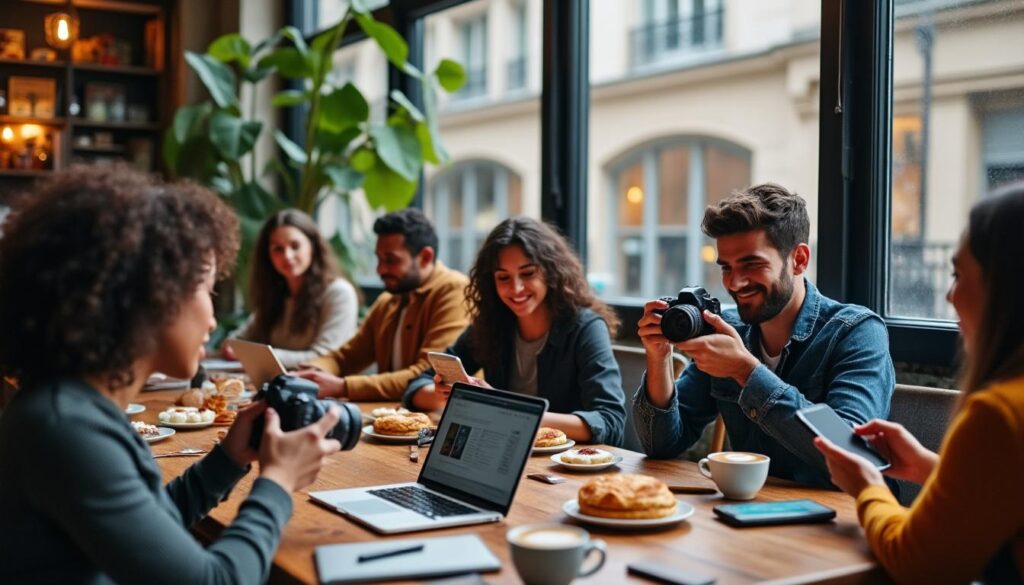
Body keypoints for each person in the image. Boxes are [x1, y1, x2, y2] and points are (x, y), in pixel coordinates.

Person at [0, 165, 342, 584]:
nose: (213, 318)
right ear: (150, 296)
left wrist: (228, 460)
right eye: (206, 288)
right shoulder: (64, 428)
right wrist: (277, 482)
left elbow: (150, 535)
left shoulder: (70, 407)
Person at [814, 183, 1024, 585]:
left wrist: (867, 487)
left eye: (958, 274)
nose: (949, 296)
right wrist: (934, 469)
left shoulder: (999, 414)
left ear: (1005, 288)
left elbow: (919, 565)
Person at [634, 183, 894, 486]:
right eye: (726, 267)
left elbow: (853, 456)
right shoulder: (730, 331)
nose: (735, 282)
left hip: (840, 519)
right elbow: (661, 445)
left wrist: (747, 371)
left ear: (798, 260)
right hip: (751, 511)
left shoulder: (856, 332)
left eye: (752, 264)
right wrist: (658, 357)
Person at [403, 217, 627, 445]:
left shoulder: (586, 328)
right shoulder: (492, 324)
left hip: (561, 467)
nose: (516, 288)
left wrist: (504, 408)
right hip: (496, 454)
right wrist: (445, 394)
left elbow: (610, 422)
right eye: (503, 277)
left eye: (528, 273)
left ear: (551, 271)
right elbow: (416, 387)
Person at [295, 208, 469, 401]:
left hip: (434, 422)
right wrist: (314, 371)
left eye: (391, 260)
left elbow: (427, 373)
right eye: (379, 258)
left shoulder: (455, 290)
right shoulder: (388, 301)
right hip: (392, 420)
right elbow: (346, 357)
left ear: (426, 257)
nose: (380, 269)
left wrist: (343, 387)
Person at [225, 209, 359, 369]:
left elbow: (324, 357)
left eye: (295, 246)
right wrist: (231, 347)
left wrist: (262, 355)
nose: (287, 256)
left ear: (313, 247)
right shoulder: (276, 293)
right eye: (277, 249)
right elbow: (236, 341)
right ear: (268, 255)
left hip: (321, 392)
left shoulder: (339, 293)